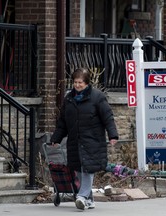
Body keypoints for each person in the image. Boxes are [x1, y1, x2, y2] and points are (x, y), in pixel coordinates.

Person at [50, 68, 119, 210]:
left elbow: (108, 117)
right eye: (75, 82)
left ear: (87, 83)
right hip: (75, 140)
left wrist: (112, 135)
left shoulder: (97, 97)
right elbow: (63, 122)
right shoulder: (69, 99)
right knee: (79, 170)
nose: (77, 85)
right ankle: (89, 200)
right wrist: (56, 138)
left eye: (80, 82)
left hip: (92, 140)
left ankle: (81, 196)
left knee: (88, 169)